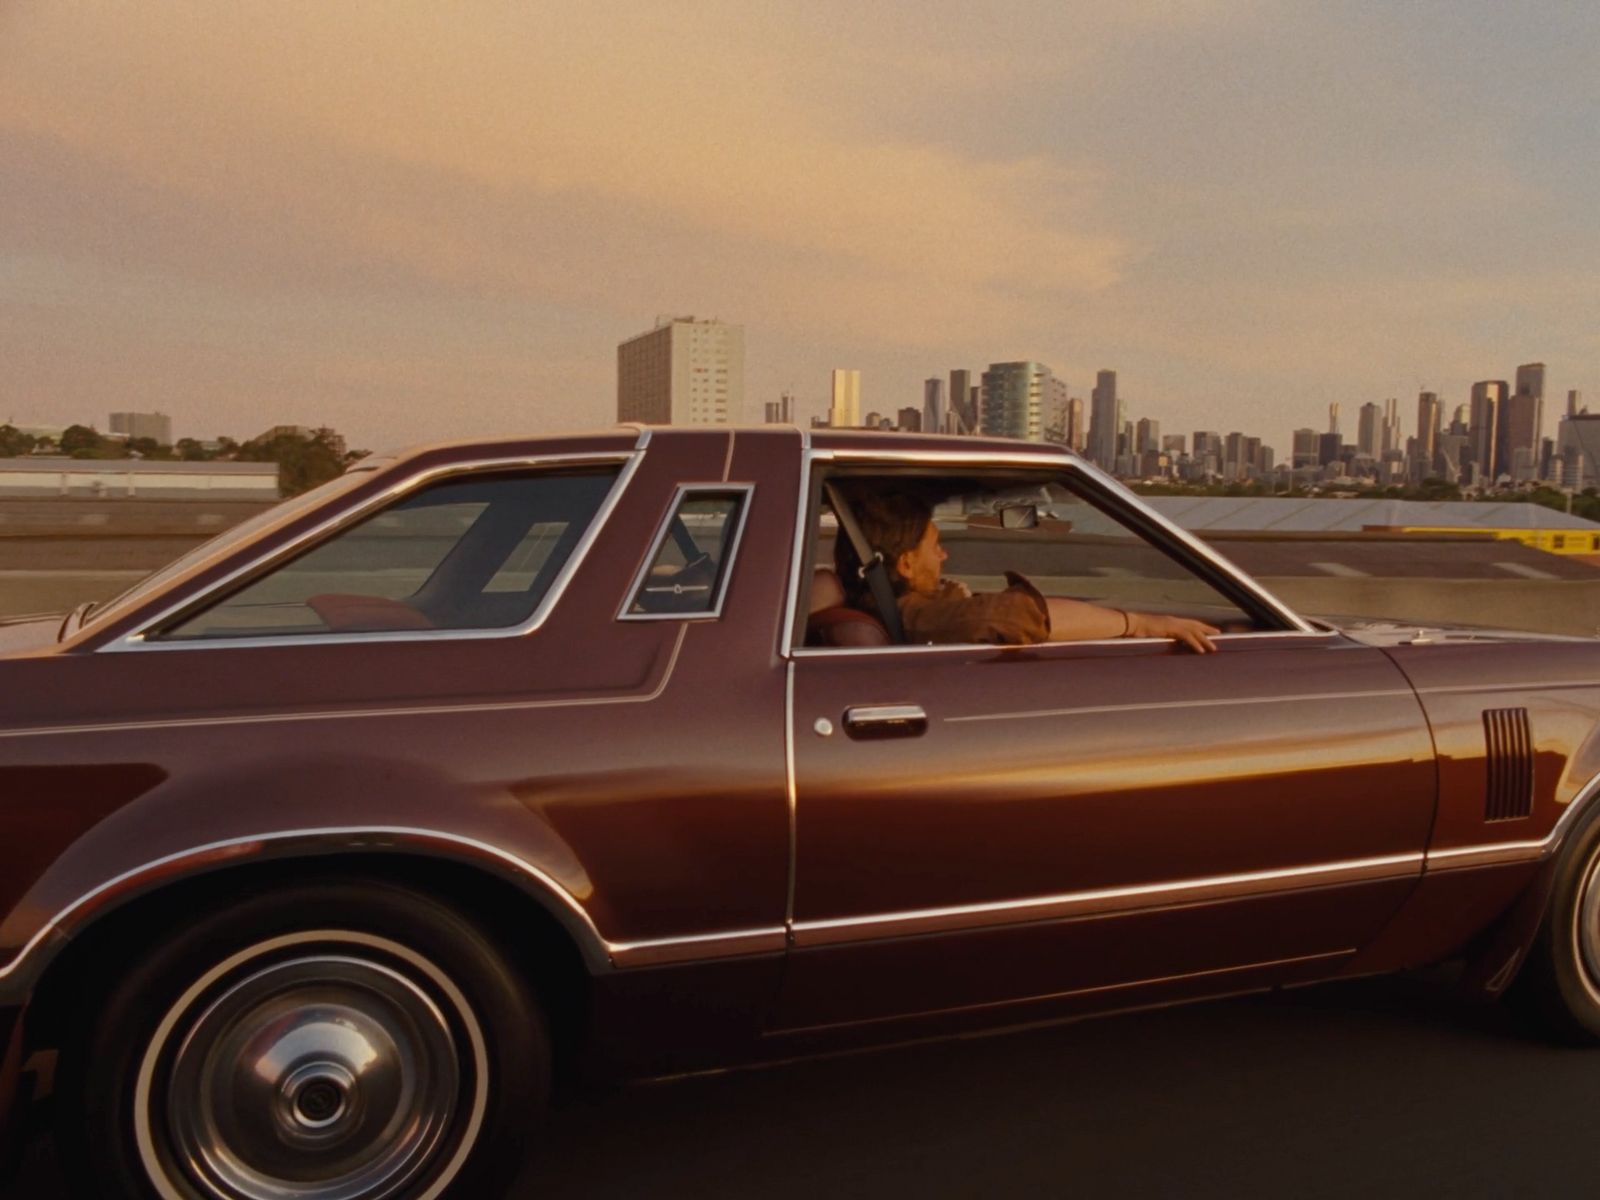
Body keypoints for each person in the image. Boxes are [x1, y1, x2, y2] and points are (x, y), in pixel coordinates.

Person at [835, 491, 1219, 653]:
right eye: (934, 546)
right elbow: (1017, 616)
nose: (944, 555)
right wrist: (1142, 625)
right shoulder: (919, 615)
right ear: (904, 564)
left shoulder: (888, 606)